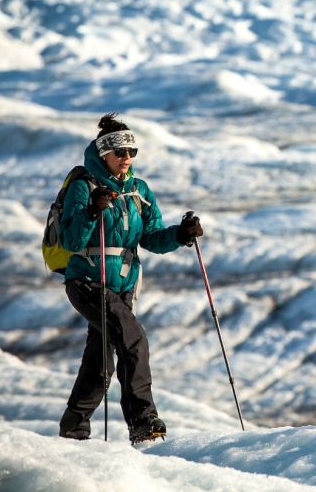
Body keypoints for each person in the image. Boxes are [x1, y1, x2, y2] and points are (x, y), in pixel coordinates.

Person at [58, 113, 203, 443]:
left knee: (101, 363)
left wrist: (181, 235)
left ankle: (73, 426)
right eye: (120, 153)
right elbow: (71, 242)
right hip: (87, 283)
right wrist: (92, 212)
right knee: (133, 338)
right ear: (102, 154)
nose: (126, 158)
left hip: (122, 288)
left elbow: (151, 237)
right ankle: (143, 421)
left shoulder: (139, 191)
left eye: (131, 152)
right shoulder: (84, 187)